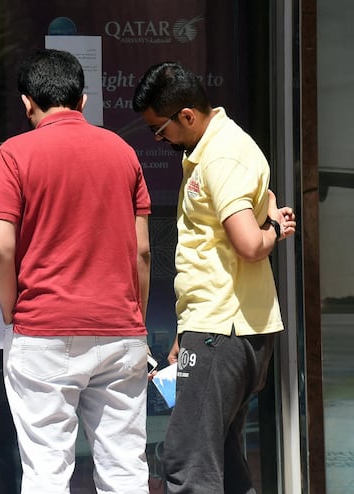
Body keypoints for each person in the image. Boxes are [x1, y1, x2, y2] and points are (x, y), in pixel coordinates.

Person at [0, 49, 153, 494]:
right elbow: (142, 253)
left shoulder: (13, 154)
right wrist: (134, 316)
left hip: (43, 332)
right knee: (125, 468)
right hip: (121, 329)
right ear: (83, 100)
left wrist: (10, 311)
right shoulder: (123, 152)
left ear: (27, 104)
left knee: (47, 470)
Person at [132, 62, 297, 493]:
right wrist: (184, 334)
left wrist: (274, 229)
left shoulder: (222, 156)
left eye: (159, 128)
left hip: (222, 330)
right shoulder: (214, 148)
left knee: (188, 462)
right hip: (217, 327)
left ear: (187, 115)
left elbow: (247, 243)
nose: (158, 139)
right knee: (220, 455)